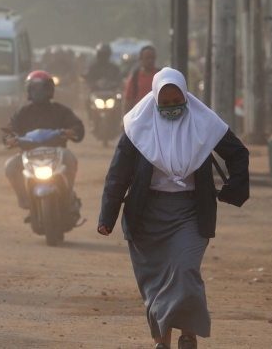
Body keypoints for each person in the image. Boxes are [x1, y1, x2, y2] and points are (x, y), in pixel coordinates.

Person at [98, 68, 249, 349]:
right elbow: (118, 173)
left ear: (186, 96)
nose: (170, 107)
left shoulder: (204, 122)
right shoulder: (137, 126)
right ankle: (162, 343)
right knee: (154, 283)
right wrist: (107, 216)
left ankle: (188, 332)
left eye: (175, 100)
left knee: (184, 270)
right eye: (163, 103)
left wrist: (234, 189)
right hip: (146, 215)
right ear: (154, 100)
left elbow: (238, 153)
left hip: (189, 214)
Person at [4, 70, 85, 223]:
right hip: (28, 155)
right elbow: (10, 129)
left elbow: (78, 126)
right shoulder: (22, 112)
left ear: (51, 91)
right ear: (28, 91)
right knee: (10, 166)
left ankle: (69, 199)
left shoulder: (61, 110)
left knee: (71, 158)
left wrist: (72, 131)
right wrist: (9, 139)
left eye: (43, 88)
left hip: (58, 153)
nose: (38, 92)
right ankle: (27, 203)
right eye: (34, 88)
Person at [122, 45, 160, 114]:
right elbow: (128, 99)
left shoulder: (160, 75)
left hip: (157, 114)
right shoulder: (135, 77)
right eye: (147, 58)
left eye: (152, 58)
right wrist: (124, 119)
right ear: (140, 59)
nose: (150, 60)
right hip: (139, 115)